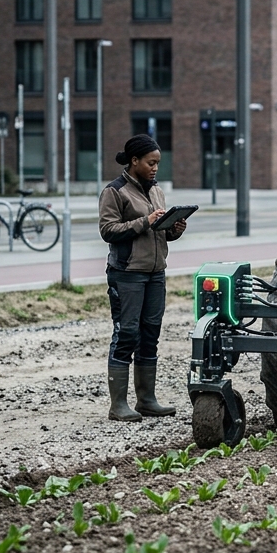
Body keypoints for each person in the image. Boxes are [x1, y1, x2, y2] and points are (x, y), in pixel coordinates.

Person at [99, 134, 187, 421]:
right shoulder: (115, 191)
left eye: (158, 164)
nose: (155, 168)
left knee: (150, 335)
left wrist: (174, 228)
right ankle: (118, 405)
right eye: (150, 163)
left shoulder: (156, 190)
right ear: (134, 161)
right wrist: (145, 222)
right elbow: (108, 230)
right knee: (127, 334)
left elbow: (158, 233)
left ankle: (147, 400)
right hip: (127, 274)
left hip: (155, 272)